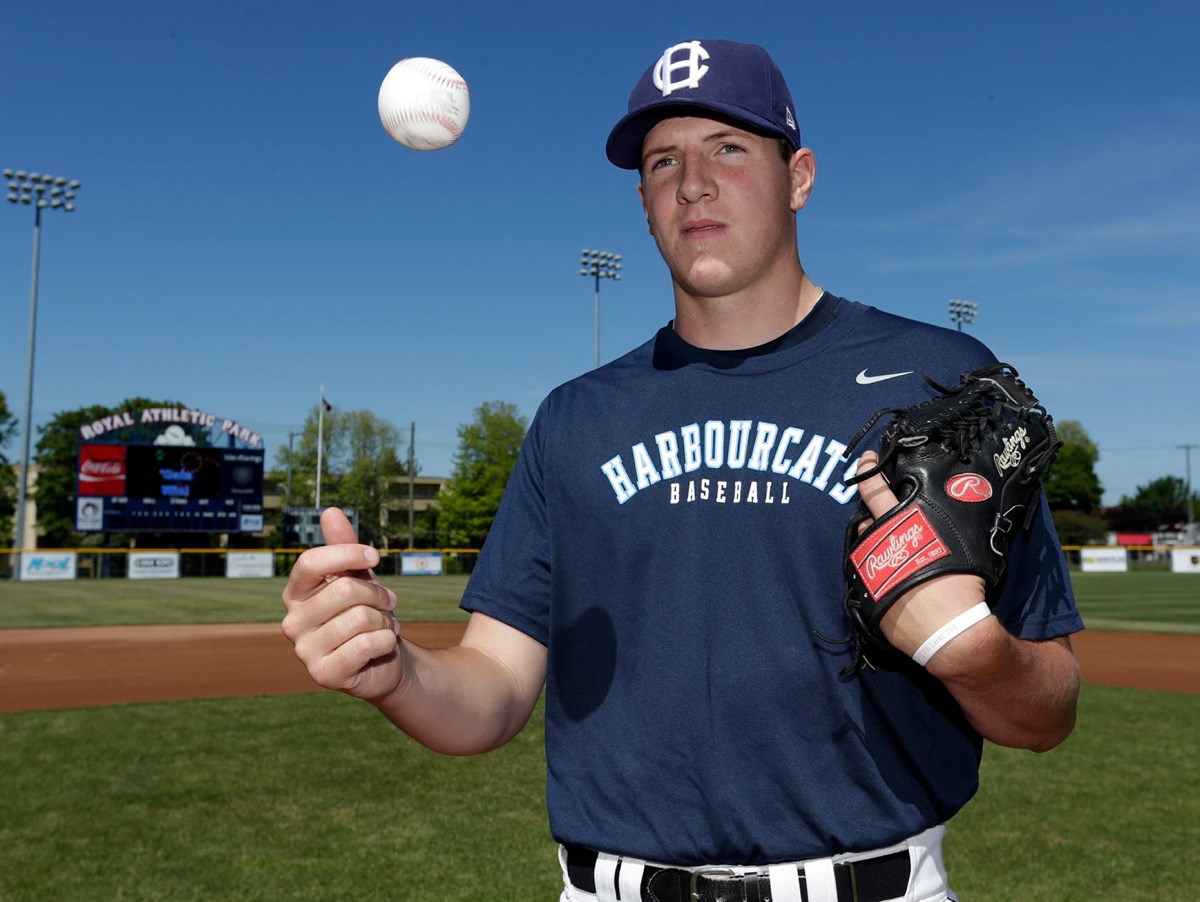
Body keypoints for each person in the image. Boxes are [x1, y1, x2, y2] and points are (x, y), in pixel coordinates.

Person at [281, 38, 1082, 902]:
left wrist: (967, 652)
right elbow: (494, 689)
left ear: (800, 177)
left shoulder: (941, 383)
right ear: (643, 202)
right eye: (664, 161)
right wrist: (395, 669)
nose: (692, 182)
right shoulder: (576, 420)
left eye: (729, 149)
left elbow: (1048, 712)